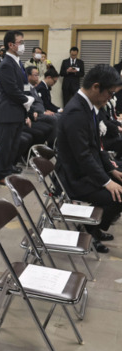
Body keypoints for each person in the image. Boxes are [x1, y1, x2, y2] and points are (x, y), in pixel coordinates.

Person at [55, 64, 122, 253]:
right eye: (109, 93)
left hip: (85, 170)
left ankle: (94, 228)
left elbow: (97, 146)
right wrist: (106, 181)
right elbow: (82, 155)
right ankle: (89, 231)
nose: (110, 98)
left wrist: (111, 170)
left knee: (119, 181)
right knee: (117, 196)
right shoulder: (76, 111)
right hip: (73, 177)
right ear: (95, 87)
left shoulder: (89, 106)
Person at [0, 30, 34, 185]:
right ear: (10, 45)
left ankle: (9, 169)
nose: (23, 45)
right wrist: (25, 100)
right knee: (6, 145)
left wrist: (27, 100)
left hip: (18, 110)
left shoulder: (18, 62)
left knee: (14, 144)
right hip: (8, 110)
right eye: (20, 42)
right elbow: (11, 89)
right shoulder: (6, 64)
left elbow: (23, 85)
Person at [0, 70, 33, 162]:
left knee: (34, 133)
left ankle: (22, 158)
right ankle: (10, 163)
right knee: (25, 139)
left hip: (6, 124)